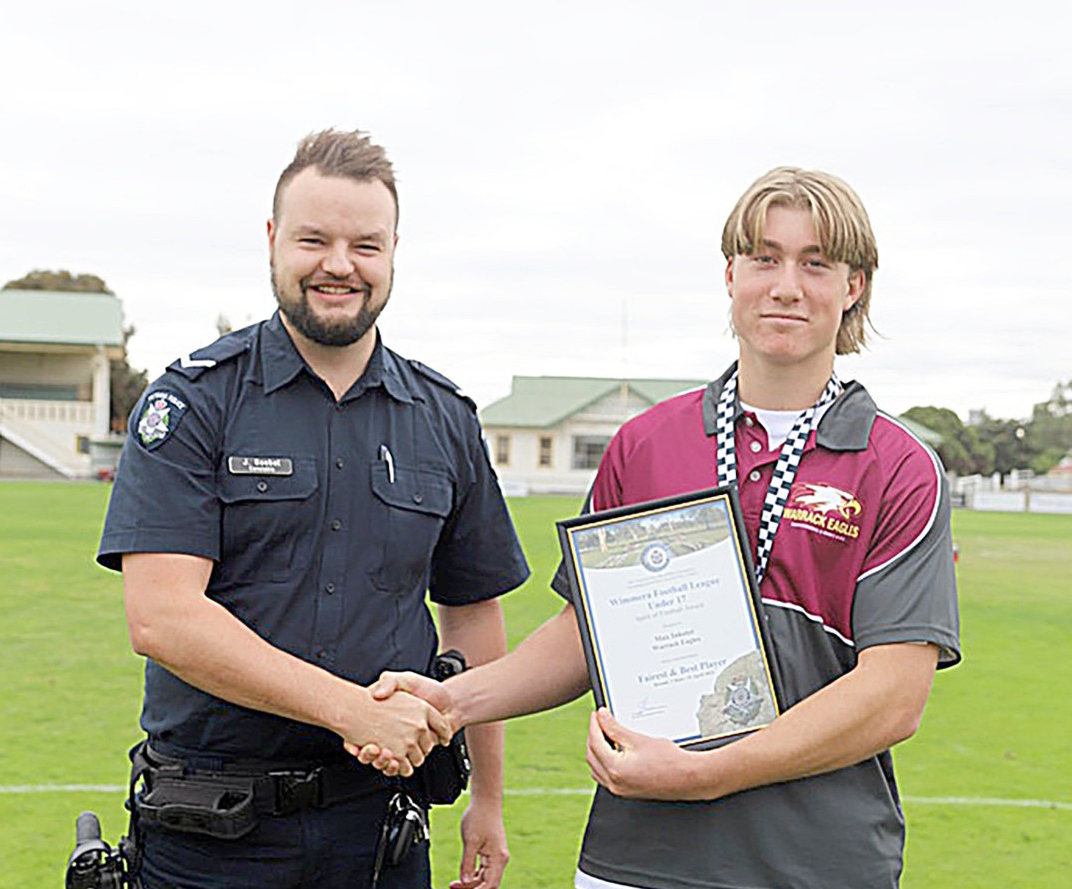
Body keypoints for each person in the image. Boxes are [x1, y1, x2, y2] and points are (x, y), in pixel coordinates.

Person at [364, 166, 962, 888]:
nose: (785, 285)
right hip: (636, 860)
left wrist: (706, 772)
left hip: (816, 864)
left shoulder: (896, 466)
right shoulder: (645, 444)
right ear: (730, 272)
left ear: (854, 285)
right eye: (764, 258)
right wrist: (452, 700)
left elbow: (893, 696)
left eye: (815, 263)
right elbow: (584, 635)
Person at [96, 128, 528, 889]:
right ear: (271, 241)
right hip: (212, 836)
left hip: (382, 835)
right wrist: (350, 711)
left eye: (365, 244)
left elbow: (472, 618)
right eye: (313, 239)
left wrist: (487, 798)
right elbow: (161, 617)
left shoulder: (445, 417)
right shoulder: (193, 402)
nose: (339, 264)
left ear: (395, 250)